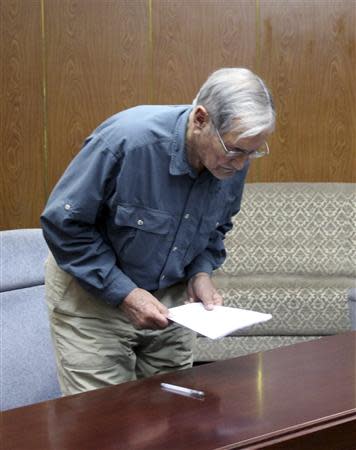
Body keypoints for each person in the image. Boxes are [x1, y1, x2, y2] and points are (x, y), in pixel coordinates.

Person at [41, 67, 276, 395]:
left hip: (171, 305)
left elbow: (217, 226)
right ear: (200, 119)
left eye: (253, 152)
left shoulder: (233, 158)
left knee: (173, 419)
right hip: (93, 300)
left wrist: (200, 273)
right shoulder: (126, 141)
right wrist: (124, 293)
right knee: (101, 424)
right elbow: (63, 225)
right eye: (235, 150)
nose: (240, 164)